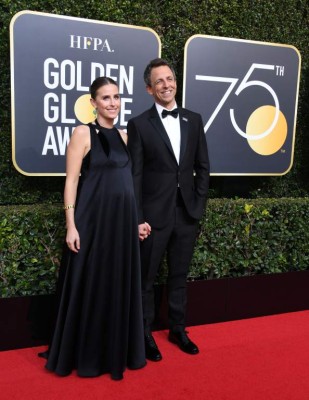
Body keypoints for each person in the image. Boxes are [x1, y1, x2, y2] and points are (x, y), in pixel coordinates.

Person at [41, 77, 146, 380]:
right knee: (91, 285)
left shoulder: (126, 137)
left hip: (121, 225)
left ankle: (115, 351)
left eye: (116, 97)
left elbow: (129, 185)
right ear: (93, 103)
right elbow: (71, 181)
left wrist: (136, 220)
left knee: (117, 284)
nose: (112, 103)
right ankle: (86, 354)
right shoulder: (83, 133)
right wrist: (71, 225)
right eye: (105, 98)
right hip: (92, 222)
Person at [127, 58, 210, 361]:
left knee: (179, 275)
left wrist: (197, 206)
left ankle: (178, 329)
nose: (166, 85)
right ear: (149, 88)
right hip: (152, 217)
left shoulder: (193, 119)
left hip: (186, 214)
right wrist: (138, 218)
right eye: (159, 81)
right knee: (146, 278)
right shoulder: (138, 124)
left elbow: (203, 167)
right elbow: (134, 175)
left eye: (170, 79)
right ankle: (145, 333)